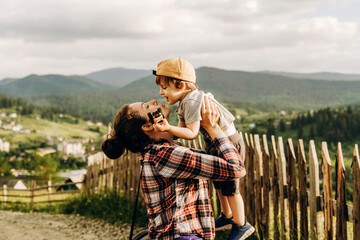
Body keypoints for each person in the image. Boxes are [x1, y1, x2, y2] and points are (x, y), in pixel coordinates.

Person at [102, 97, 247, 240]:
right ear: (147, 126)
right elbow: (236, 169)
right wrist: (212, 127)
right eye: (146, 107)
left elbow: (214, 161)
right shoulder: (164, 155)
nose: (153, 101)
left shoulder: (161, 152)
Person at [152, 57, 254, 239]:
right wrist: (164, 129)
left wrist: (167, 128)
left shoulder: (191, 102)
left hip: (228, 142)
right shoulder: (184, 103)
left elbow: (191, 132)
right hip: (215, 143)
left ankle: (241, 224)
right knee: (219, 185)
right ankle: (227, 216)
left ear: (181, 86)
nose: (161, 92)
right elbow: (181, 130)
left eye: (164, 88)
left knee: (230, 187)